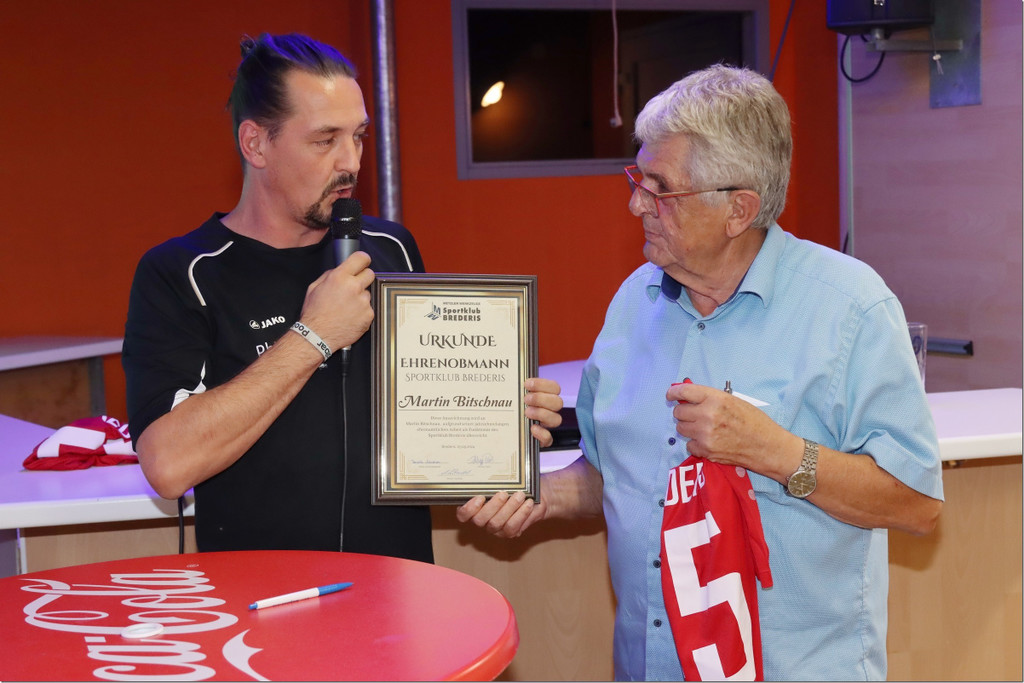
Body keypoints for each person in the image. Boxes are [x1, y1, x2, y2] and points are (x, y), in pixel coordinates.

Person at [457, 64, 943, 680]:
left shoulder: (851, 308)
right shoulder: (634, 302)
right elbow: (616, 473)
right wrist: (539, 495)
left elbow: (917, 504)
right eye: (638, 178)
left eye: (661, 189)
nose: (636, 203)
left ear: (738, 209)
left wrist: (776, 451)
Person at [122, 33, 562, 563]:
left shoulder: (391, 247)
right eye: (324, 140)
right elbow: (168, 465)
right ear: (256, 144)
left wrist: (501, 422)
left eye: (358, 136)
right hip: (257, 593)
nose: (350, 161)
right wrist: (313, 335)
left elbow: (424, 422)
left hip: (398, 581)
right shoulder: (182, 271)